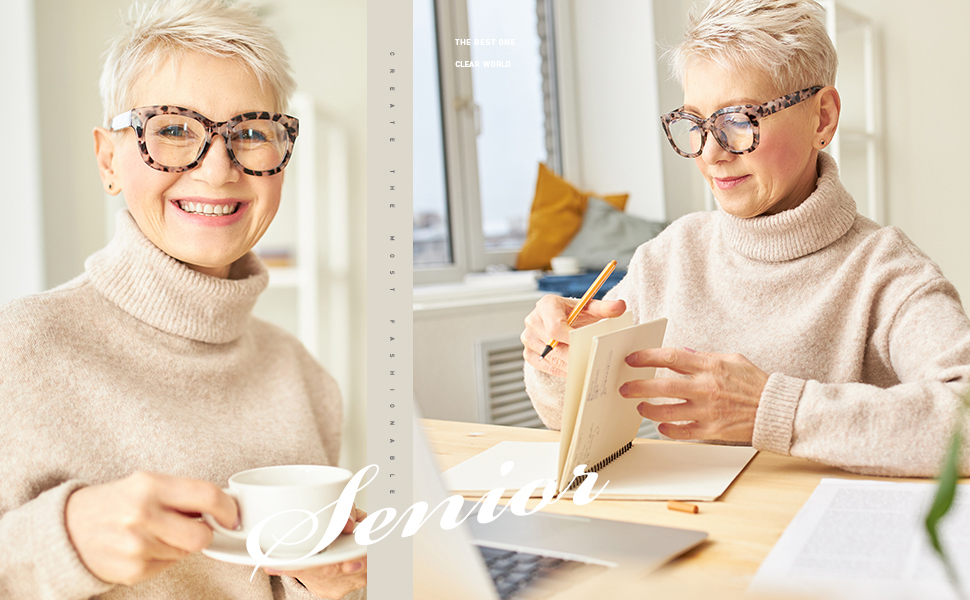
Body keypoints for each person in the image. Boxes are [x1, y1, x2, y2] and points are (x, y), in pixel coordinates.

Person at [0, 1, 366, 598]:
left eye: (250, 133)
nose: (219, 170)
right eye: (172, 130)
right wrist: (61, 539)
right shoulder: (18, 348)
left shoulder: (303, 376)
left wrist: (335, 585)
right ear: (108, 158)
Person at [521, 0, 970, 478]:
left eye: (738, 120)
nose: (711, 154)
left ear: (822, 119)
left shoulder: (888, 272)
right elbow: (566, 417)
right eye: (695, 124)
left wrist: (771, 409)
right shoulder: (670, 256)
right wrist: (557, 358)